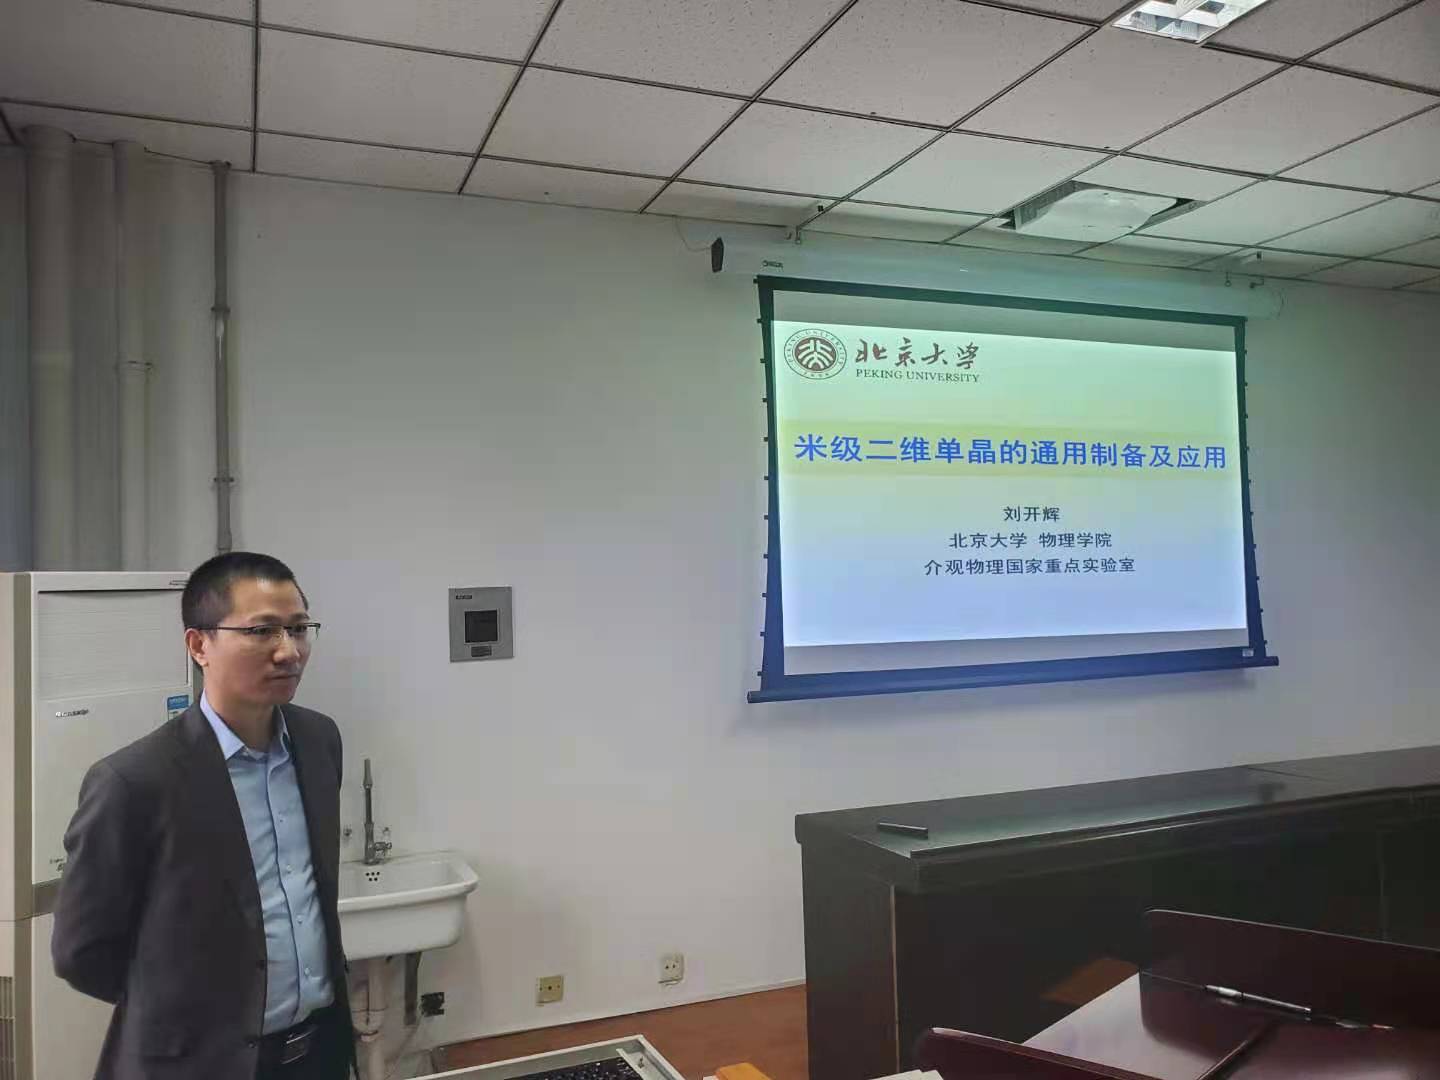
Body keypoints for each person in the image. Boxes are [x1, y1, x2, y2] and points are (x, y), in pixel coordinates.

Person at [52, 552, 356, 1080]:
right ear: (199, 646)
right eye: (262, 631)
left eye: (298, 629)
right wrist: (185, 1014)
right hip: (201, 1063)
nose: (288, 650)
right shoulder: (135, 781)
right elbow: (82, 953)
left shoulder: (318, 740)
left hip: (317, 1052)